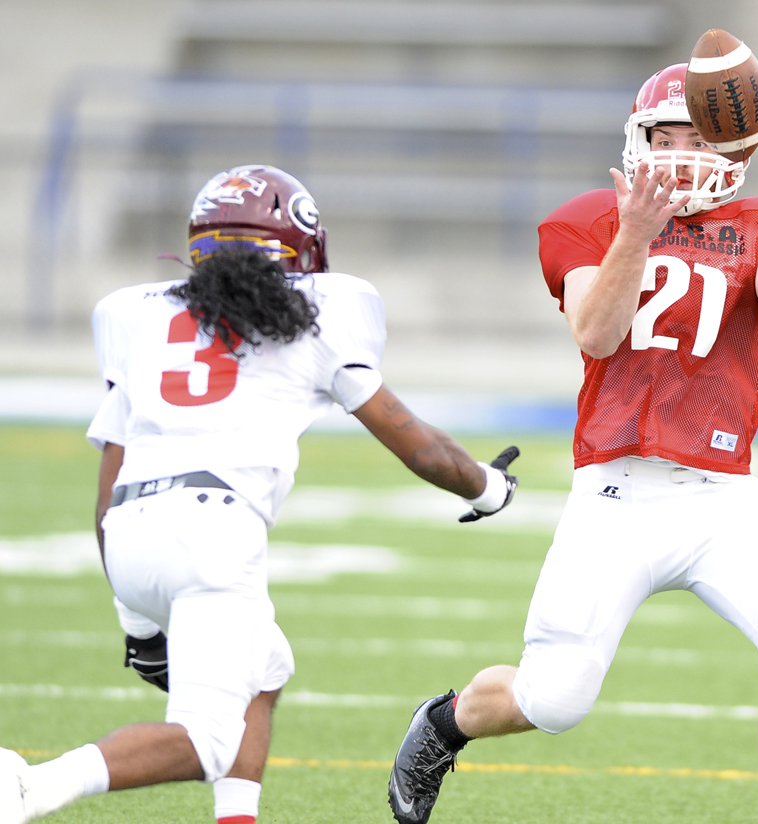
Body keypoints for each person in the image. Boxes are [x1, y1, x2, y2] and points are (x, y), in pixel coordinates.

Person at [388, 63, 758, 824]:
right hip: (616, 491)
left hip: (723, 495)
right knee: (554, 700)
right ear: (636, 140)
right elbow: (596, 332)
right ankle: (442, 724)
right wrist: (637, 230)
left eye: (695, 137)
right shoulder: (592, 216)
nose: (676, 152)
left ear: (733, 149)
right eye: (663, 136)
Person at [0, 164, 519, 824]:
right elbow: (417, 444)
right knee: (205, 741)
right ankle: (31, 786)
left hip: (129, 528)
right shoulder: (316, 317)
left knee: (266, 668)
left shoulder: (138, 319)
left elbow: (111, 479)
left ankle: (236, 819)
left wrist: (134, 617)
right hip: (213, 533)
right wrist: (487, 487)